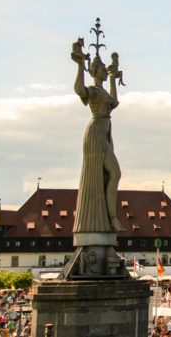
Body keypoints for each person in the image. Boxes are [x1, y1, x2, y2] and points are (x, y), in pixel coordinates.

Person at [71, 41, 125, 233]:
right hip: (95, 134)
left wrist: (112, 78)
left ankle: (111, 218)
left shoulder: (102, 91)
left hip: (105, 132)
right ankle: (111, 218)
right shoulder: (93, 91)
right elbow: (79, 90)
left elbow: (114, 102)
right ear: (95, 71)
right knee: (113, 173)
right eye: (102, 68)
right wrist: (79, 66)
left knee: (112, 174)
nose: (104, 70)